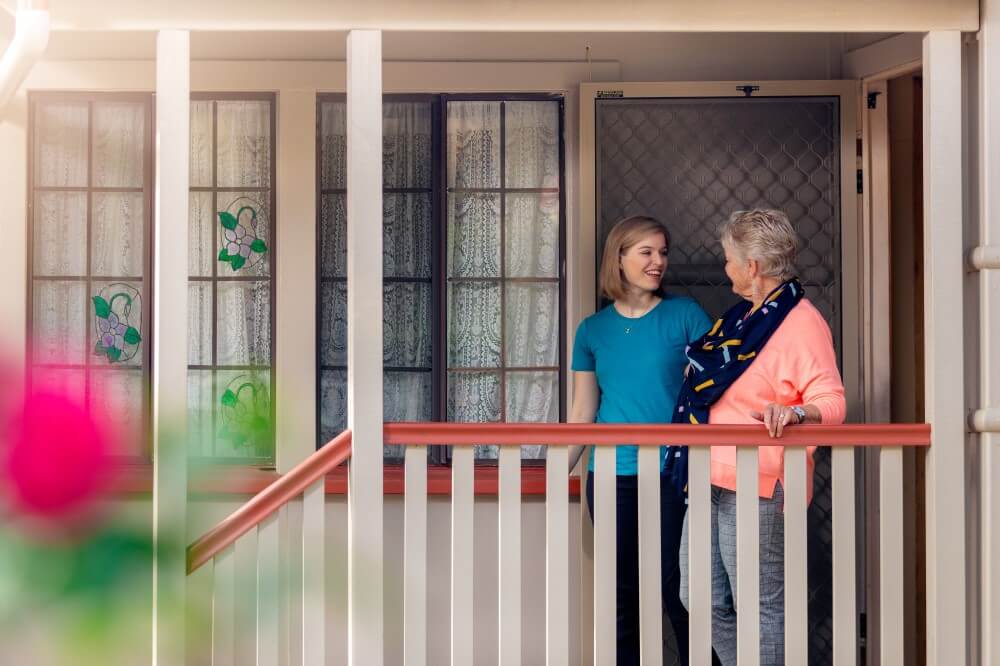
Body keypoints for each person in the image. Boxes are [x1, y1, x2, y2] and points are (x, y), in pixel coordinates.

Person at [674, 209, 847, 665]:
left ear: (752, 266)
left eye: (729, 259)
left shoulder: (800, 322)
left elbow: (832, 402)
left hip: (760, 482)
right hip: (707, 474)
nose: (725, 268)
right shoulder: (742, 319)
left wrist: (793, 411)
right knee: (700, 599)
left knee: (763, 606)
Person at [568, 215, 712, 665]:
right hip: (610, 476)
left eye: (663, 252)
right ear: (620, 257)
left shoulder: (686, 315)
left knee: (678, 585)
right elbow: (582, 411)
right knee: (621, 590)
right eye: (646, 252)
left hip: (672, 474)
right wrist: (555, 468)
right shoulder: (592, 330)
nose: (658, 262)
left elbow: (713, 390)